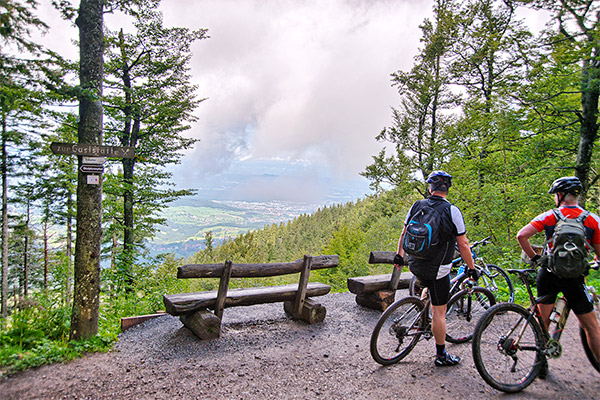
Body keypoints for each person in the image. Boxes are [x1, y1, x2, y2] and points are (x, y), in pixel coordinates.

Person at [394, 170, 477, 367]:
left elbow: (404, 232)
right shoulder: (452, 211)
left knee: (427, 285)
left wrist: (399, 256)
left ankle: (422, 313)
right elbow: (463, 245)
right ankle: (441, 355)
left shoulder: (417, 205)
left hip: (415, 262)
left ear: (430, 188)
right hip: (438, 267)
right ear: (447, 188)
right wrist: (471, 268)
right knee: (440, 312)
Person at [517, 176, 600, 364]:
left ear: (560, 196)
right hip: (575, 278)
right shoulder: (592, 220)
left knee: (542, 321)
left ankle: (540, 363)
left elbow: (521, 235)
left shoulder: (550, 216)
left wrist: (535, 258)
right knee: (591, 328)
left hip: (548, 273)